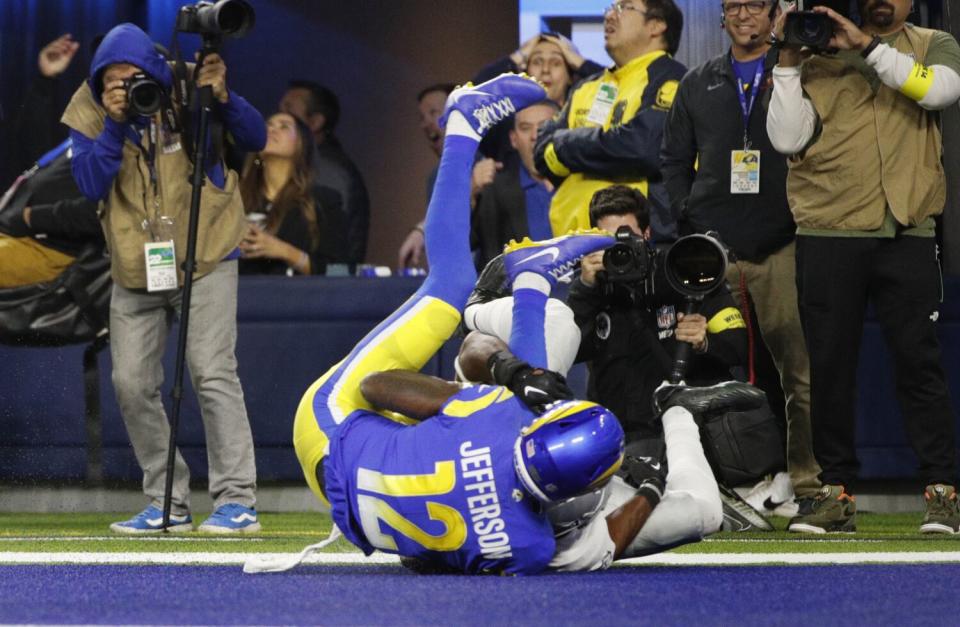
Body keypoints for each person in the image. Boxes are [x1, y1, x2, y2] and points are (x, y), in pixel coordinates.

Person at [290, 73, 730, 574]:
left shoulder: (502, 434)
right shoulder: (530, 546)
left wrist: (511, 381)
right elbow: (599, 536)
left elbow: (375, 385)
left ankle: (470, 145)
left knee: (449, 292)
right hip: (372, 489)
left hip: (333, 429)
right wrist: (650, 484)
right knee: (699, 509)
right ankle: (543, 295)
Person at [62, 23, 265, 534]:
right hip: (136, 263)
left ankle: (237, 502)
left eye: (135, 77)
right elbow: (89, 183)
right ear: (98, 80)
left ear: (154, 69)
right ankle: (167, 501)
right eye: (114, 79)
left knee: (211, 372)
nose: (129, 87)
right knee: (130, 383)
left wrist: (223, 97)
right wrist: (112, 122)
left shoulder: (192, 83)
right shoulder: (86, 109)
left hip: (208, 250)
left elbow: (254, 137)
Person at [767, 0, 960, 533]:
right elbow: (785, 139)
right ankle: (834, 496)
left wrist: (866, 48)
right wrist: (786, 59)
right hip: (828, 231)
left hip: (907, 229)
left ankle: (942, 492)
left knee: (920, 366)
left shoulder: (932, 45)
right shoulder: (812, 52)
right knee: (828, 371)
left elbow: (940, 90)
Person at [660, 0, 820, 506]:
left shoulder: (797, 69)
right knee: (719, 367)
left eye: (753, 5)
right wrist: (690, 213)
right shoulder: (697, 81)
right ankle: (734, 481)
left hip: (782, 240)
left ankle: (807, 482)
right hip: (715, 249)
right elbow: (672, 158)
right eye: (732, 6)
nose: (742, 15)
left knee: (798, 372)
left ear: (776, 13)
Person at [534, 0, 686, 241]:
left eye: (624, 8)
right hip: (570, 249)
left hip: (641, 249)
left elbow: (642, 148)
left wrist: (565, 144)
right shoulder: (586, 86)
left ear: (656, 26)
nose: (609, 16)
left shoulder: (674, 80)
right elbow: (541, 155)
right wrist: (606, 146)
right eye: (609, 9)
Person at [238, 112, 345, 275]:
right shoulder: (234, 197)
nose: (271, 130)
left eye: (284, 126)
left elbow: (337, 271)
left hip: (294, 297)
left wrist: (284, 251)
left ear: (302, 144)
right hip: (239, 294)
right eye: (267, 126)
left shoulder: (322, 201)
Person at [279, 80, 370, 265]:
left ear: (315, 121)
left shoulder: (330, 174)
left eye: (288, 113)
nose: (277, 119)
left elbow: (339, 255)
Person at [471, 99, 559, 270]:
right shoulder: (493, 191)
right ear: (514, 139)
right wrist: (471, 192)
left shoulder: (583, 187)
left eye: (544, 126)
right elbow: (459, 244)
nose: (535, 136)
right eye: (526, 128)